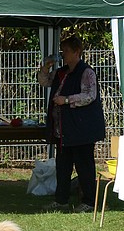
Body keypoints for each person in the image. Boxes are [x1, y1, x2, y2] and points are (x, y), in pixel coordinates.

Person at [38, 35, 105, 213]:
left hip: (82, 128)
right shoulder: (61, 72)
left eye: (66, 51)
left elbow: (90, 95)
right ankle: (61, 200)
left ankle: (89, 202)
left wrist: (66, 100)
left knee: (84, 166)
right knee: (63, 165)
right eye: (62, 51)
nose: (63, 54)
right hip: (64, 130)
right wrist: (45, 68)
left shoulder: (86, 72)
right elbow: (44, 81)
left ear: (77, 52)